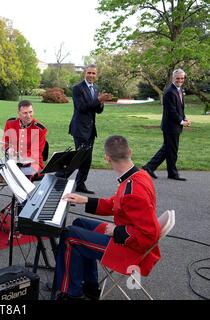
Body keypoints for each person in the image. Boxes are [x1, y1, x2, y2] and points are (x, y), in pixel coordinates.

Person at [54, 135, 161, 300]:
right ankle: (89, 285)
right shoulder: (139, 175)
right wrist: (86, 200)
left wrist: (117, 231)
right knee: (79, 223)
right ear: (129, 152)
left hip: (130, 250)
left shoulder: (133, 191)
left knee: (69, 236)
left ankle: (71, 293)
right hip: (128, 240)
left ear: (107, 158)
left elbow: (149, 235)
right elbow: (117, 203)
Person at [69, 64, 112, 194]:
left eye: (93, 73)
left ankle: (80, 183)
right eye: (89, 73)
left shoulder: (96, 88)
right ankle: (58, 178)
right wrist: (98, 99)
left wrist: (102, 102)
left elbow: (98, 110)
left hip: (91, 129)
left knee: (87, 159)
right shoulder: (77, 88)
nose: (91, 75)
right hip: (80, 128)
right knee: (79, 158)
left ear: (96, 75)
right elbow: (81, 107)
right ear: (85, 73)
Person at [142, 69, 191, 181]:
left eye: (182, 78)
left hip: (175, 125)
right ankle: (169, 172)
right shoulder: (169, 92)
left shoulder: (179, 90)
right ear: (173, 78)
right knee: (171, 150)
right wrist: (181, 121)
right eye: (178, 78)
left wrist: (184, 118)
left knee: (168, 149)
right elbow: (171, 110)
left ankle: (150, 167)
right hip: (170, 126)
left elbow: (180, 108)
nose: (180, 80)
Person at [3, 100, 48, 178]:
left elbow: (36, 152)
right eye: (25, 113)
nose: (28, 115)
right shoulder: (10, 123)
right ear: (19, 113)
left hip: (33, 162)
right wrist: (8, 149)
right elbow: (5, 141)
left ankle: (27, 190)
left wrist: (18, 156)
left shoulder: (40, 129)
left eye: (30, 112)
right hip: (11, 160)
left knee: (24, 174)